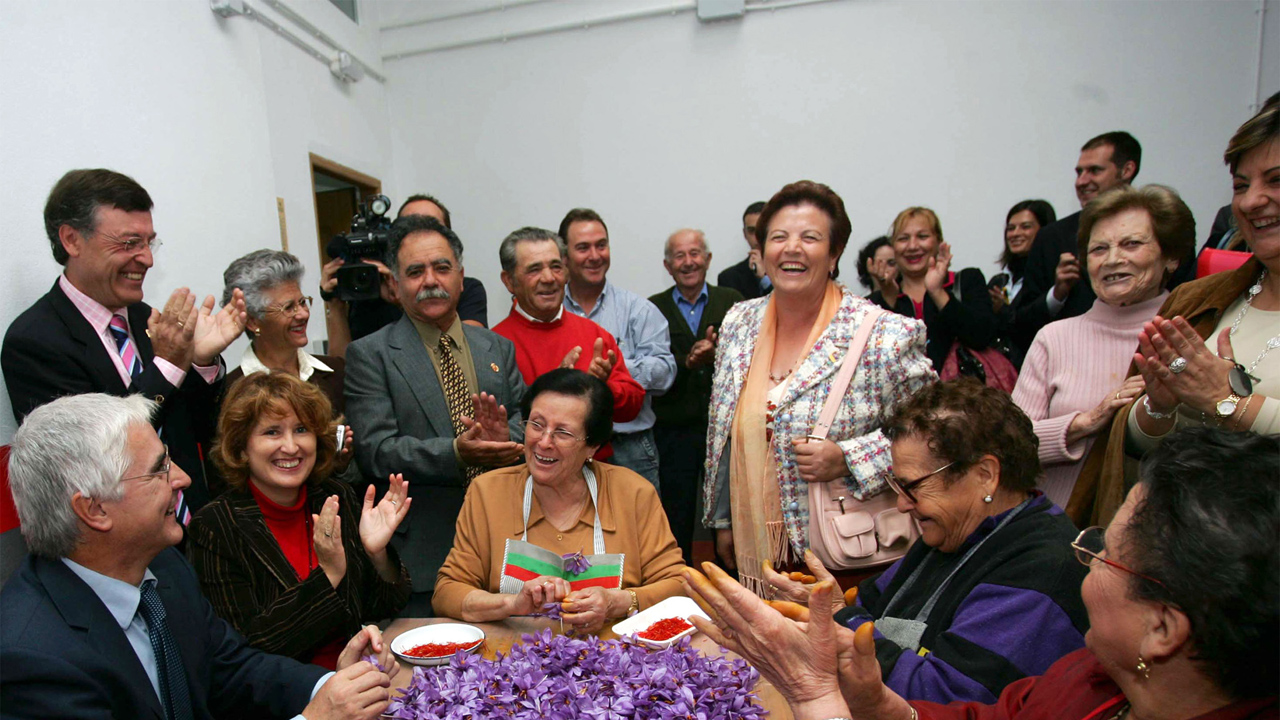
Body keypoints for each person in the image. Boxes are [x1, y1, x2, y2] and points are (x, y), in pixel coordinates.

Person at [683, 427, 1279, 720]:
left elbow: (955, 689)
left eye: (1103, 550)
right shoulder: (1086, 677)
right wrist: (880, 699)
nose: (1085, 552)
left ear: (1163, 630)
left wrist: (816, 691)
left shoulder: (1039, 567)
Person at [1, 393, 398, 720]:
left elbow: (232, 669)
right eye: (158, 470)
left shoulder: (164, 569)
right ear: (94, 510)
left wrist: (329, 686)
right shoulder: (33, 661)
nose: (182, 479)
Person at [763, 379, 1088, 704]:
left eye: (913, 486)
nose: (902, 504)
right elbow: (865, 605)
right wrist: (821, 603)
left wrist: (842, 620)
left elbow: (943, 699)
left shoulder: (1042, 569)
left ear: (985, 475)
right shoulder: (953, 535)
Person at [703, 180, 935, 593]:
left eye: (809, 238)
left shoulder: (885, 335)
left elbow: (933, 433)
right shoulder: (739, 322)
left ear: (834, 253)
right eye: (779, 237)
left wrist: (849, 458)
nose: (792, 248)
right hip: (757, 546)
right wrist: (724, 520)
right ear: (762, 250)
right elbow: (725, 430)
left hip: (849, 552)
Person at [1076, 96, 1280, 526]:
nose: (1251, 201)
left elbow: (1220, 401)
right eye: (1240, 186)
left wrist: (1228, 402)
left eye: (1275, 180)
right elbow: (1133, 447)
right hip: (1179, 542)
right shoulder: (1198, 299)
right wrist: (1159, 407)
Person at [2, 168, 247, 518]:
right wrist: (168, 366)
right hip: (121, 536)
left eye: (149, 243)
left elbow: (195, 428)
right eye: (129, 243)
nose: (147, 259)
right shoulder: (35, 341)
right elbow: (97, 454)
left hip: (195, 527)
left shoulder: (146, 318)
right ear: (72, 240)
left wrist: (199, 363)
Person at [344, 214, 527, 616]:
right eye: (415, 272)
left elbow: (525, 422)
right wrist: (457, 452)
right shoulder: (370, 355)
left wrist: (507, 440)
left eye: (442, 268)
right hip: (424, 555)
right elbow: (376, 450)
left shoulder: (497, 348)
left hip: (508, 548)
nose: (430, 280)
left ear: (461, 277)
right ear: (395, 286)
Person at [433, 369, 686, 633]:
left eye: (563, 432)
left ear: (592, 446)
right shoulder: (488, 492)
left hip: (612, 653)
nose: (544, 442)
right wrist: (512, 603)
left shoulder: (633, 493)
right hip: (510, 654)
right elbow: (447, 592)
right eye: (536, 425)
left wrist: (616, 602)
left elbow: (679, 584)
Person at [187, 373, 411, 669]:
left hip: (358, 676)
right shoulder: (215, 526)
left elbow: (382, 607)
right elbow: (247, 650)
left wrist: (376, 554)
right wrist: (328, 574)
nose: (291, 447)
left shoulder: (335, 497)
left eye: (301, 429)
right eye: (272, 432)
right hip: (289, 691)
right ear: (241, 447)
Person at [1012, 185, 1194, 508]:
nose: (1112, 260)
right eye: (1098, 249)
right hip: (1063, 527)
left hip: (1163, 526)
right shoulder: (1054, 338)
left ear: (1171, 256)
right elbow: (1008, 445)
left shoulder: (1191, 335)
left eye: (1131, 244)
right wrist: (1086, 422)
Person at [220, 250, 362, 486]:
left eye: (302, 302)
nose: (303, 314)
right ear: (253, 321)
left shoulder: (336, 373)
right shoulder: (229, 392)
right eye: (288, 308)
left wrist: (341, 462)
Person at [560, 208, 676, 487]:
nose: (595, 255)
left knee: (639, 517)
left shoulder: (638, 310)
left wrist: (613, 372)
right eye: (583, 248)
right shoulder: (552, 312)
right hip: (566, 447)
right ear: (564, 256)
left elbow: (665, 372)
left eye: (601, 245)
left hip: (630, 447)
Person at [648, 228, 743, 564]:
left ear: (708, 259)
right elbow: (650, 364)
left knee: (730, 514)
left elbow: (748, 355)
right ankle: (677, 582)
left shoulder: (732, 300)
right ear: (668, 265)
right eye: (679, 256)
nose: (688, 262)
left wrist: (716, 355)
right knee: (676, 513)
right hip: (674, 430)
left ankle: (734, 583)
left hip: (725, 430)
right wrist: (686, 362)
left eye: (695, 253)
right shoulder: (653, 308)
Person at [491, 226, 645, 431]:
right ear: (509, 281)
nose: (549, 278)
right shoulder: (492, 345)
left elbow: (632, 408)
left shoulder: (595, 334)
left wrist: (601, 387)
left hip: (595, 452)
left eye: (556, 267)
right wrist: (554, 391)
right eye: (534, 269)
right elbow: (497, 424)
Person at [321, 193, 489, 357]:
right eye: (410, 226)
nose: (420, 235)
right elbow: (344, 364)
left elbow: (467, 353)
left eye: (431, 226)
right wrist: (335, 304)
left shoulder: (466, 289)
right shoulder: (368, 289)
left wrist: (403, 300)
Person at [870, 207, 1001, 374]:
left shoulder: (967, 281)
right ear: (893, 247)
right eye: (903, 239)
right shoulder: (876, 300)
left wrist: (937, 292)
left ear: (938, 242)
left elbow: (981, 337)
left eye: (922, 237)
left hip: (959, 389)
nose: (912, 246)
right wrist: (889, 300)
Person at [990, 200, 1057, 368]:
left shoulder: (1053, 282)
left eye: (1025, 227)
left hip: (1038, 367)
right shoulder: (999, 281)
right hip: (998, 372)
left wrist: (1003, 311)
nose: (1015, 234)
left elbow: (1035, 327)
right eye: (1011, 228)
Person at [718, 201, 772, 301]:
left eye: (762, 229)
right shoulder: (729, 278)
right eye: (752, 231)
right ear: (745, 234)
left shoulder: (789, 270)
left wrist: (765, 279)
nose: (757, 237)